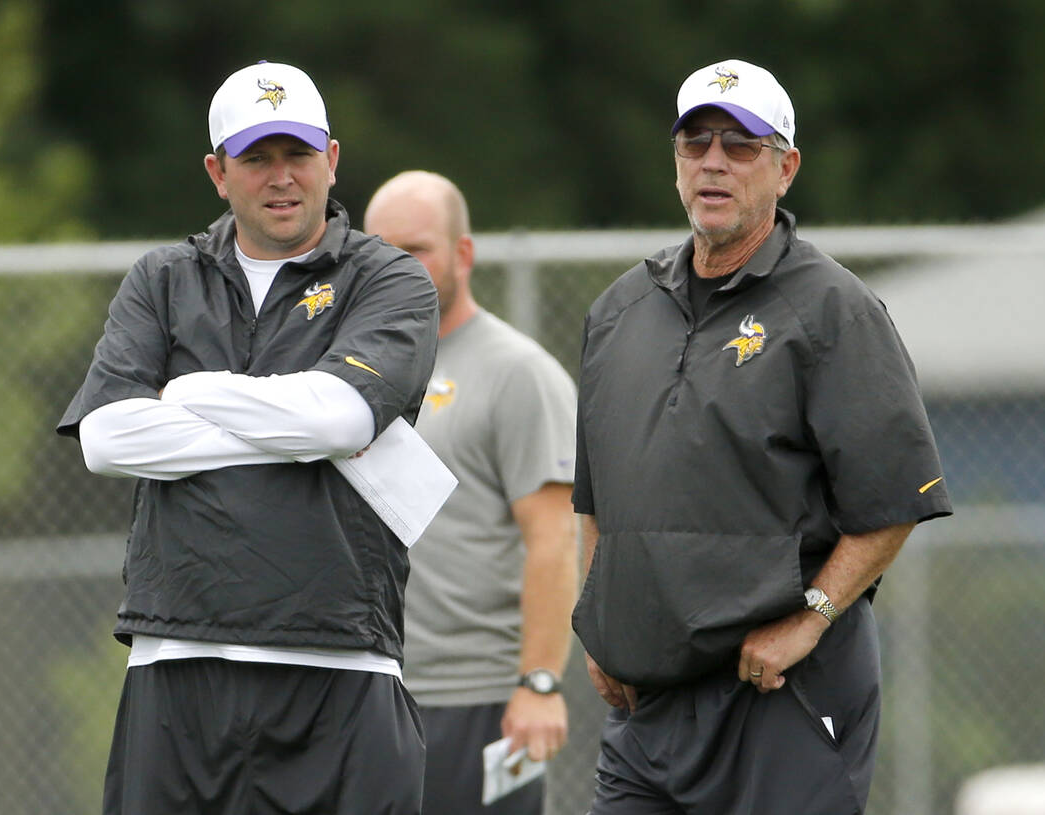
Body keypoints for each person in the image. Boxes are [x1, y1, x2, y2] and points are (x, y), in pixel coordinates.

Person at [570, 59, 953, 814]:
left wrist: (808, 617)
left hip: (781, 699)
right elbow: (596, 499)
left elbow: (895, 498)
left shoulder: (833, 309)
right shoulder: (620, 310)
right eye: (696, 142)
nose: (714, 161)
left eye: (742, 145)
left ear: (786, 168)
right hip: (647, 714)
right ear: (676, 161)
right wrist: (600, 628)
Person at [56, 61, 439, 815]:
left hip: (343, 662)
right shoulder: (162, 279)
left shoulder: (388, 280)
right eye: (256, 157)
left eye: (297, 154)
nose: (281, 177)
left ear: (331, 159)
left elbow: (342, 418)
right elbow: (106, 438)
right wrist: (293, 427)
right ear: (216, 172)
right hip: (179, 664)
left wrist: (193, 392)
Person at [363, 171, 579, 814]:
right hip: (370, 692)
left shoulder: (518, 373)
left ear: (463, 254)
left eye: (418, 248)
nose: (397, 266)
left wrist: (538, 684)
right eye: (381, 250)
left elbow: (554, 541)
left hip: (475, 700)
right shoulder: (351, 371)